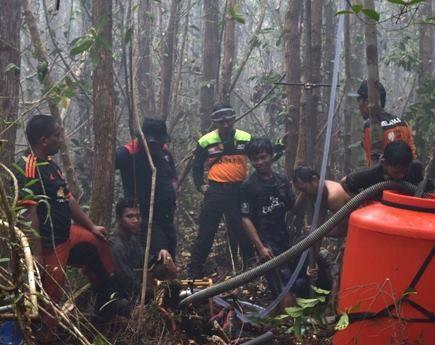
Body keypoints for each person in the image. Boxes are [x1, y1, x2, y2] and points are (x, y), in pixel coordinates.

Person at [15, 115, 124, 336]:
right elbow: (29, 211)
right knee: (50, 297)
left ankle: (108, 306)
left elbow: (67, 197)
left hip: (67, 235)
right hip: (48, 243)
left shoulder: (51, 165)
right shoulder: (28, 166)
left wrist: (91, 226)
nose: (60, 140)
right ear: (43, 140)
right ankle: (43, 336)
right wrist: (35, 254)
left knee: (98, 243)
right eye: (57, 136)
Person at [188, 103, 255, 278]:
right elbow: (196, 165)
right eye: (221, 122)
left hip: (238, 190)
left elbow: (261, 155)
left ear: (233, 119)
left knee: (242, 230)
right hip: (216, 191)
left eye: (228, 121)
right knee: (206, 232)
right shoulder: (206, 141)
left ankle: (251, 267)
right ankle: (194, 270)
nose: (226, 125)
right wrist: (199, 185)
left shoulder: (245, 138)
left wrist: (279, 146)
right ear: (215, 123)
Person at [239, 138, 296, 307]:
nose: (260, 162)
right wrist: (260, 247)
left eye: (263, 157)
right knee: (281, 282)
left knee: (294, 278)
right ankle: (288, 323)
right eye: (255, 159)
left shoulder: (281, 180)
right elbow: (245, 218)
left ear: (271, 156)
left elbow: (292, 207)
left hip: (285, 236)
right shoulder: (248, 186)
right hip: (266, 241)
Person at [116, 118, 178, 259]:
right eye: (155, 143)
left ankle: (169, 280)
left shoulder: (164, 152)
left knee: (170, 248)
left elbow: (173, 176)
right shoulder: (127, 153)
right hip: (145, 217)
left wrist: (173, 194)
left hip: (167, 214)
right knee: (157, 254)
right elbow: (104, 166)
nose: (159, 146)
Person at [110, 198, 176, 302]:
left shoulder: (132, 240)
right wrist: (156, 292)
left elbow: (146, 261)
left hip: (137, 289)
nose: (136, 220)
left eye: (137, 216)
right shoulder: (116, 246)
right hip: (123, 298)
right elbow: (128, 284)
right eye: (130, 216)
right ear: (119, 219)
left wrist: (161, 255)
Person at [356, 80, 416, 166]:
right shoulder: (402, 123)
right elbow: (412, 156)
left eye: (359, 100)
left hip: (383, 178)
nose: (358, 105)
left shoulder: (370, 128)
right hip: (408, 176)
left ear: (367, 102)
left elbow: (371, 163)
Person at [341, 141, 434, 195]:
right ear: (384, 163)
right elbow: (344, 182)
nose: (401, 176)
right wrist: (361, 204)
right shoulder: (370, 174)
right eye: (396, 172)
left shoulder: (415, 168)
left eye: (405, 171)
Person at [292, 166, 351, 237]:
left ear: (314, 180)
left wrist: (319, 233)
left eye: (304, 189)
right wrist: (316, 230)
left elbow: (345, 230)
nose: (304, 194)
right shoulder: (318, 190)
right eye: (301, 191)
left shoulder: (333, 197)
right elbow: (320, 217)